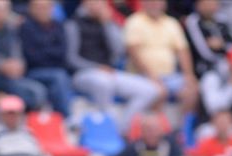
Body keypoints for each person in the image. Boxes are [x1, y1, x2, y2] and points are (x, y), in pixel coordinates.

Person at [66, 0, 162, 131]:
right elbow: (71, 59)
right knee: (103, 82)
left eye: (100, 3)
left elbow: (119, 50)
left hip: (109, 72)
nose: (97, 6)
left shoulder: (107, 23)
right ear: (85, 4)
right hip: (83, 74)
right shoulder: (73, 24)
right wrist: (96, 67)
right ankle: (107, 127)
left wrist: (107, 24)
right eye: (93, 3)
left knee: (150, 90)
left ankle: (122, 127)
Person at [0, 0, 47, 111]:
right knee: (27, 94)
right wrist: (1, 65)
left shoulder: (11, 29)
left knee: (38, 91)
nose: (0, 12)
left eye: (3, 9)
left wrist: (18, 64)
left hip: (10, 76)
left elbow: (17, 51)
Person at [122, 0, 199, 114]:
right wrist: (151, 76)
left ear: (164, 4)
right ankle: (157, 130)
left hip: (169, 76)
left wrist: (188, 75)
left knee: (192, 89)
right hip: (141, 76)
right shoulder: (134, 21)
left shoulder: (172, 23)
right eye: (151, 2)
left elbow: (183, 51)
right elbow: (133, 53)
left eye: (158, 2)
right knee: (158, 91)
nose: (154, 5)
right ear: (143, 3)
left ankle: (182, 130)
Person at [19, 0, 73, 117]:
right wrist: (51, 54)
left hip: (56, 70)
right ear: (31, 9)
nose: (42, 10)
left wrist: (44, 52)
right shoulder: (26, 27)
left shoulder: (58, 26)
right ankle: (66, 117)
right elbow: (31, 56)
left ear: (52, 8)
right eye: (39, 7)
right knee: (59, 77)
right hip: (34, 71)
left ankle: (56, 120)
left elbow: (63, 53)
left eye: (46, 7)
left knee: (57, 82)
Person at [107, 112, 182, 156]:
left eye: (154, 129)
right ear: (142, 132)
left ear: (161, 130)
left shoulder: (170, 144)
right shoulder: (134, 147)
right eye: (148, 130)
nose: (151, 134)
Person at [184, 0, 232, 78]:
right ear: (198, 5)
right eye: (207, 4)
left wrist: (222, 45)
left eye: (213, 3)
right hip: (204, 68)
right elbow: (204, 52)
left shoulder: (222, 20)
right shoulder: (192, 22)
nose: (210, 7)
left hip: (228, 64)